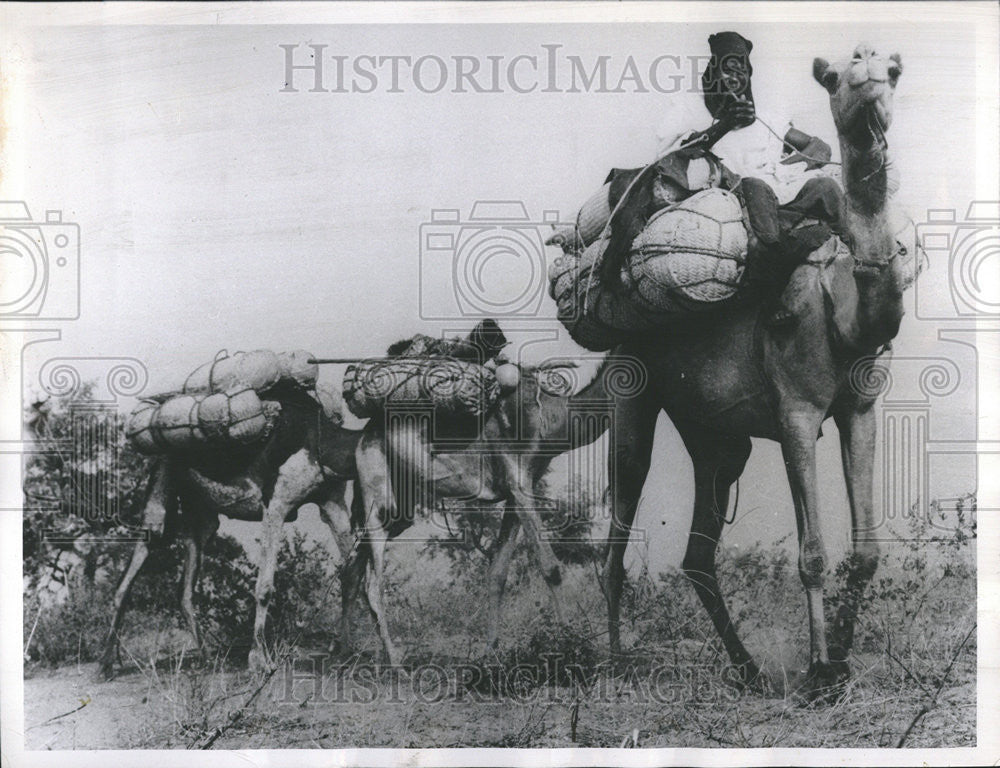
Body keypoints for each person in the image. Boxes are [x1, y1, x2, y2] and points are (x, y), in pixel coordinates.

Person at [599, 31, 845, 328]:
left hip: (777, 190)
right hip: (730, 193)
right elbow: (670, 156)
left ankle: (856, 264)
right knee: (757, 190)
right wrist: (724, 125)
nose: (735, 78)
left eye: (741, 71)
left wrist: (787, 165)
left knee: (827, 188)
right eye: (728, 70)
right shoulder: (691, 109)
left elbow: (819, 147)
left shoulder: (765, 116)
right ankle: (768, 296)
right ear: (713, 74)